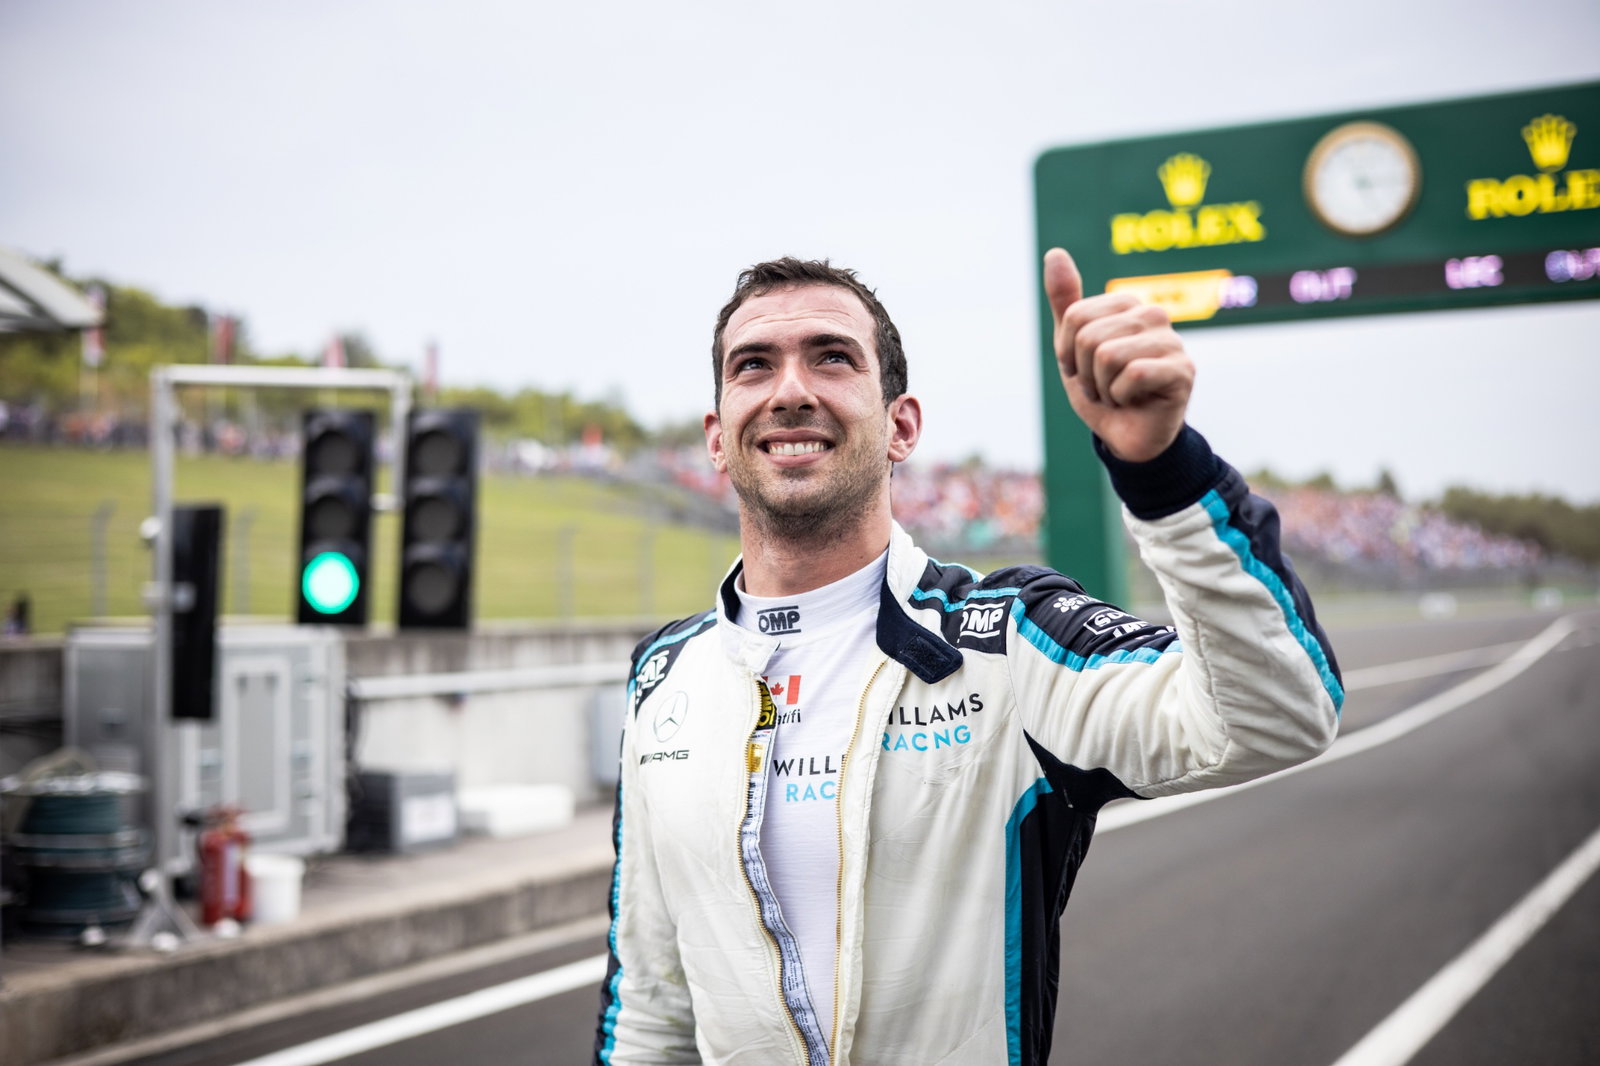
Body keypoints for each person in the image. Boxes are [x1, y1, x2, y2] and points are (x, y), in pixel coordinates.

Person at [594, 249, 1342, 1065]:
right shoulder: (664, 677)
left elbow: (1276, 718)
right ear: (717, 437)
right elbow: (650, 1010)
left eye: (832, 358)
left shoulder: (1010, 639)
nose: (791, 390)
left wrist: (1162, 472)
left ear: (901, 426)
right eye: (754, 365)